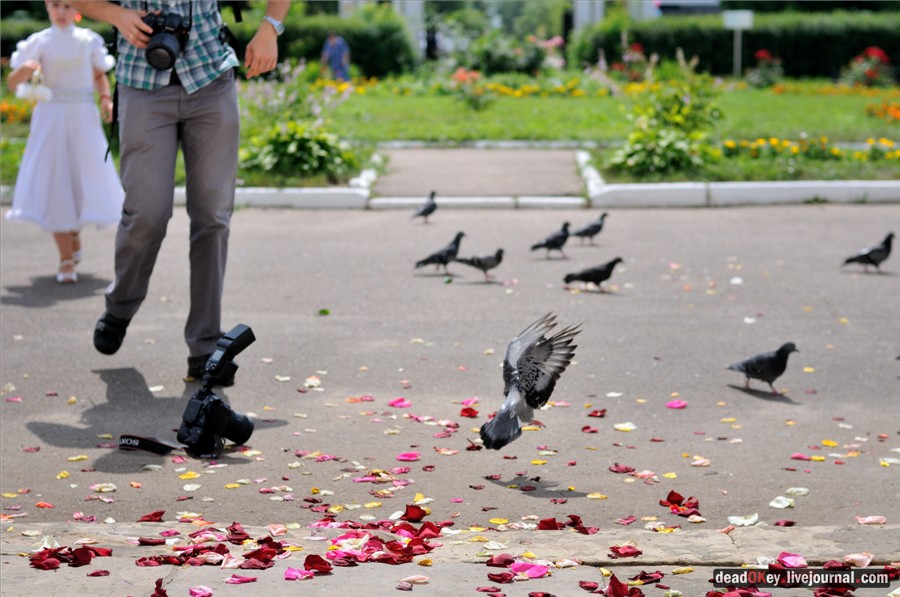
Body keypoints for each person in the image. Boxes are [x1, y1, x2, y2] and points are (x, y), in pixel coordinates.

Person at [71, 0, 289, 383]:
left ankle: (205, 347)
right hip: (142, 84)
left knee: (213, 218)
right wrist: (116, 15)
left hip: (211, 80)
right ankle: (120, 305)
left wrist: (270, 26)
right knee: (147, 216)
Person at [5, 0, 124, 284]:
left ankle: (74, 235)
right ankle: (66, 258)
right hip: (51, 119)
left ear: (78, 9)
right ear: (47, 7)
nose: (61, 12)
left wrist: (106, 99)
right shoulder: (39, 41)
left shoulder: (87, 40)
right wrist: (26, 70)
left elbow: (98, 73)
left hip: (83, 118)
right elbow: (13, 83)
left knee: (81, 179)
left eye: (68, 5)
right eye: (56, 5)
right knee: (56, 180)